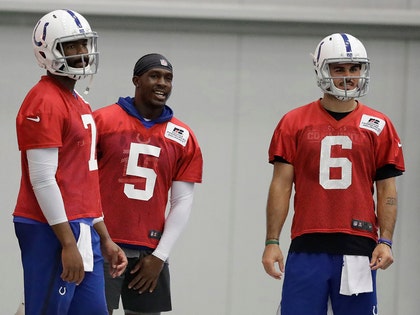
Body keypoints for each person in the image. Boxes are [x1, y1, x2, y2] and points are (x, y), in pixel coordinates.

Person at [262, 33, 405, 315]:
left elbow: (387, 190)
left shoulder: (379, 125)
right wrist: (272, 241)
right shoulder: (294, 122)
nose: (348, 76)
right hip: (307, 243)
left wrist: (386, 241)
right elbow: (281, 185)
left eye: (355, 68)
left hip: (359, 245)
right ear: (321, 69)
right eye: (339, 68)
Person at [13, 9, 127, 315]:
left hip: (81, 226)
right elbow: (43, 179)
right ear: (47, 50)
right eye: (71, 46)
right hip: (50, 227)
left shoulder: (79, 101)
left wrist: (103, 236)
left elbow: (83, 178)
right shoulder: (44, 100)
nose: (81, 53)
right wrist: (67, 243)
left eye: (82, 44)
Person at [93, 53, 203, 315]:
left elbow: (182, 201)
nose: (162, 83)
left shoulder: (183, 136)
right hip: (101, 245)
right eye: (154, 75)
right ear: (136, 80)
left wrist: (159, 256)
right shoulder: (102, 121)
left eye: (168, 78)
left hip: (149, 252)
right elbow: (80, 184)